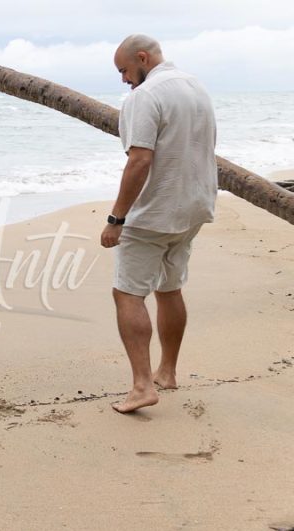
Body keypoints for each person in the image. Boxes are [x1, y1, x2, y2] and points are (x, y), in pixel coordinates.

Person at [101, 34, 218, 413]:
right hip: (194, 205)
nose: (123, 79)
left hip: (155, 212)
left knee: (128, 293)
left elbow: (139, 160)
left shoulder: (145, 96)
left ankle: (141, 386)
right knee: (169, 289)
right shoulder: (195, 87)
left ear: (142, 58)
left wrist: (116, 218)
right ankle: (166, 372)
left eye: (124, 70)